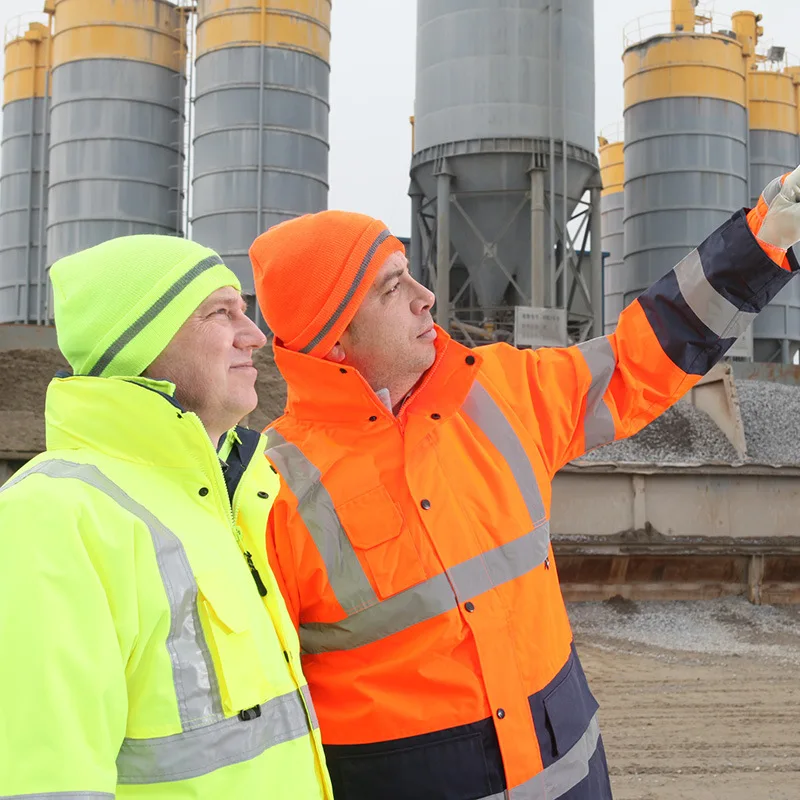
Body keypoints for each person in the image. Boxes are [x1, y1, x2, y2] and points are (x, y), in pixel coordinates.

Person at [250, 165, 800, 800]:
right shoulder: (272, 493)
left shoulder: (499, 392)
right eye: (391, 288)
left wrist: (760, 242)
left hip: (572, 778)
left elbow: (640, 356)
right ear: (333, 335)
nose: (425, 296)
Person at [0, 235, 333, 799]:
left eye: (246, 314)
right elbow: (45, 782)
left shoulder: (221, 501)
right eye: (221, 314)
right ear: (139, 343)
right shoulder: (53, 516)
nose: (255, 337)